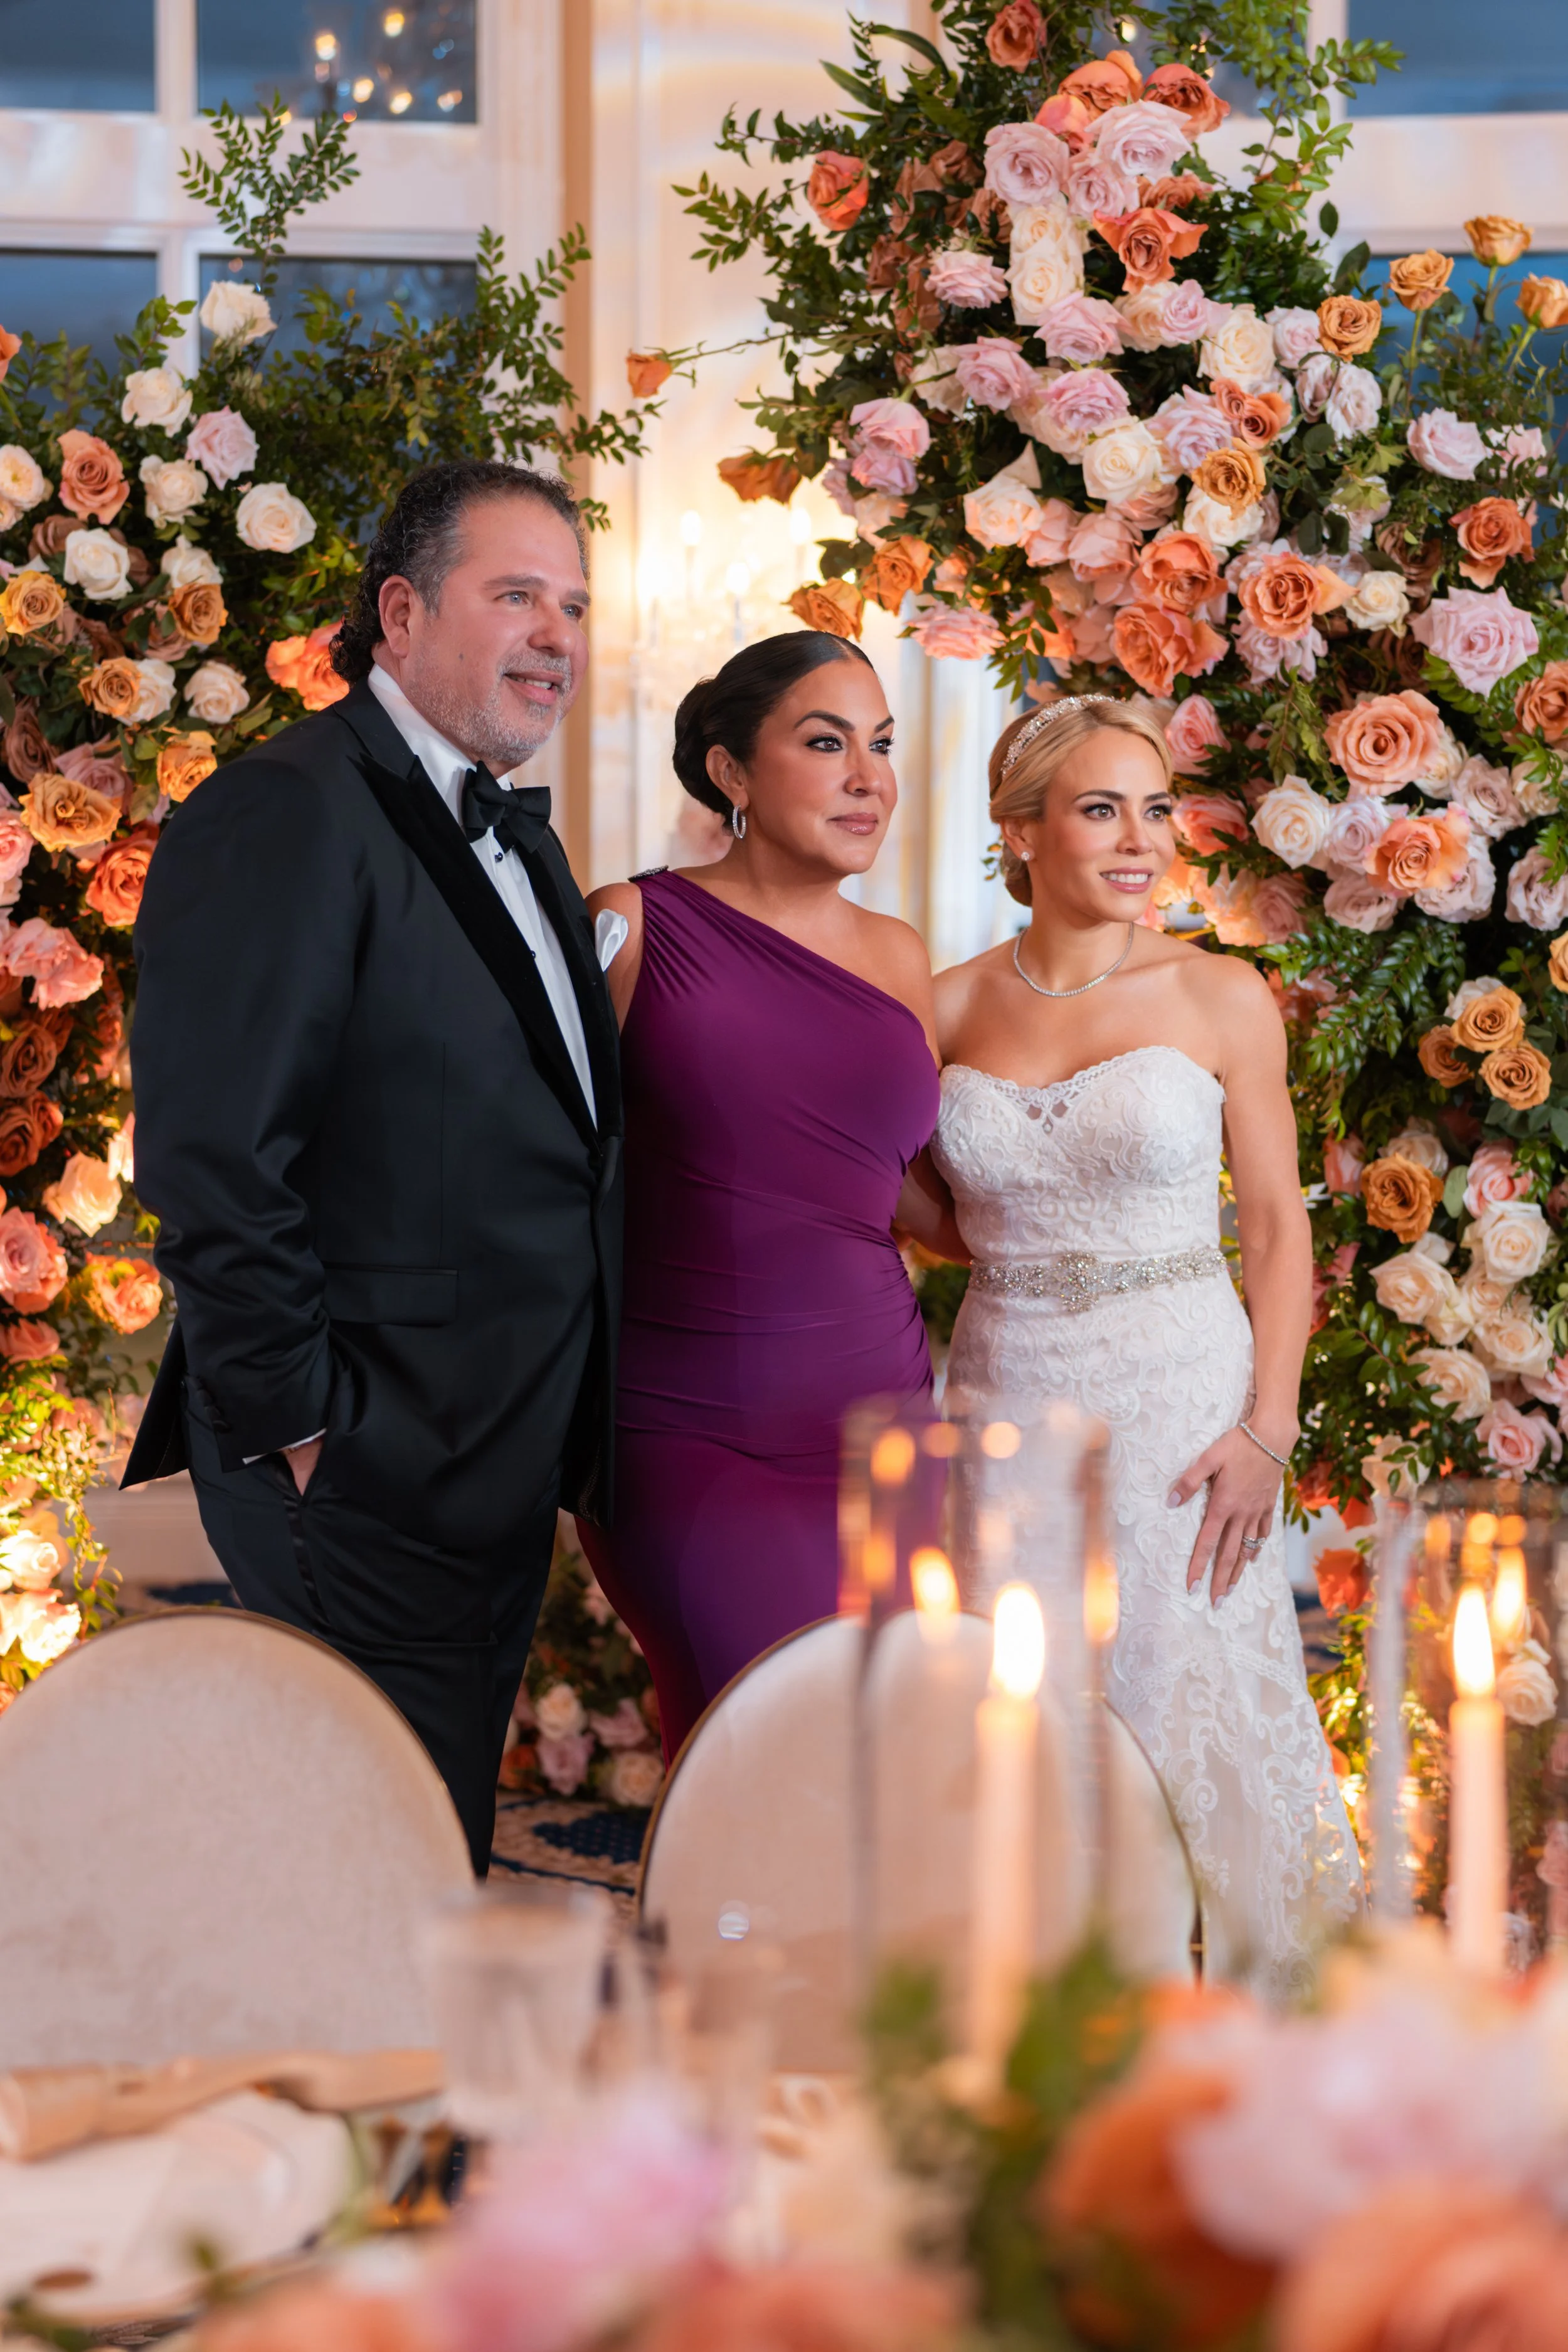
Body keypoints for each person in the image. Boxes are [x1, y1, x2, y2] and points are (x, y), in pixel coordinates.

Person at [125, 460, 622, 1875]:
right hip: (360, 1466)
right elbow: (217, 1159)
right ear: (398, 616)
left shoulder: (515, 837)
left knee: (426, 1866)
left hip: (484, 1462)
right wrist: (305, 1433)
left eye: (574, 604)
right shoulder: (284, 812)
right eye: (514, 594)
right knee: (342, 1882)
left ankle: (402, 2100)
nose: (557, 635)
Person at [901, 693, 1360, 1996]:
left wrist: (1265, 1428)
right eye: (1101, 807)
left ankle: (1278, 2023)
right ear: (1021, 829)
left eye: (1153, 808)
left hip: (1179, 1388)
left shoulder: (1218, 995)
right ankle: (1060, 2018)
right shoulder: (938, 1010)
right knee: (1021, 1704)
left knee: (1184, 1689)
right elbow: (911, 1199)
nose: (1139, 839)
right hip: (1005, 1387)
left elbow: (1274, 1232)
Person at [579, 632, 938, 1759]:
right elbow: (535, 1160)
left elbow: (906, 1196)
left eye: (880, 745)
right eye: (824, 742)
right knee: (753, 1748)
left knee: (881, 1762)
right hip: (688, 1429)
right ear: (732, 772)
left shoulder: (899, 954)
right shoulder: (631, 923)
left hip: (883, 1426)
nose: (867, 776)